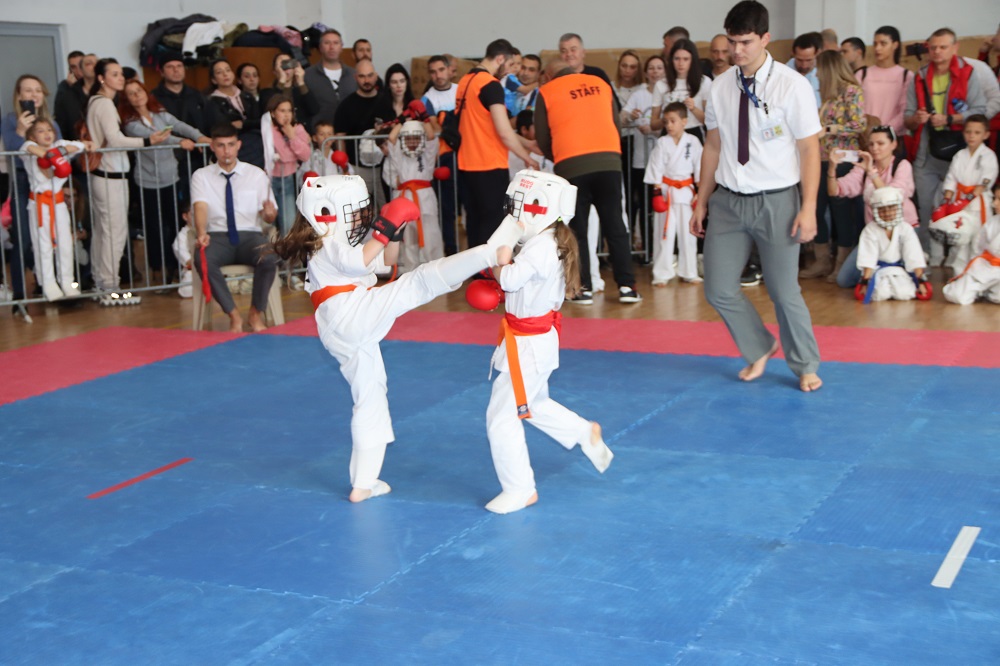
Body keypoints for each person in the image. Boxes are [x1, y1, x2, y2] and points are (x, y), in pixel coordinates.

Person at [271, 174, 523, 502]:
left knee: (371, 394)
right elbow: (361, 260)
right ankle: (489, 254)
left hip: (344, 326)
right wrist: (385, 226)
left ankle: (364, 483)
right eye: (354, 213)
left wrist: (395, 231)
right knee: (417, 282)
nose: (360, 220)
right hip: (349, 314)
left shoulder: (338, 242)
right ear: (326, 214)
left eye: (362, 213)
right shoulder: (326, 243)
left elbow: (386, 262)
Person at [691, 0, 823, 392]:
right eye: (731, 42)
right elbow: (713, 146)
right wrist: (701, 200)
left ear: (765, 38)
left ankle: (805, 364)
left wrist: (809, 208)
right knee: (717, 289)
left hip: (777, 201)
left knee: (783, 291)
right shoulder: (720, 86)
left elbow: (809, 149)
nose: (737, 51)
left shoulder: (791, 85)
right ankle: (759, 345)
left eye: (745, 42)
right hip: (728, 201)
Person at [477, 170, 613, 515]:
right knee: (533, 403)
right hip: (533, 341)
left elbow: (509, 279)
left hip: (528, 345)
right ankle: (582, 431)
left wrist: (499, 259)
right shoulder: (548, 240)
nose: (515, 212)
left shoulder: (540, 248)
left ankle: (520, 489)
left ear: (540, 207)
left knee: (501, 417)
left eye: (520, 205)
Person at [535, 59, 641, 304]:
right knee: (615, 225)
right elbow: (615, 122)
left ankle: (582, 289)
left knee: (577, 230)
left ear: (548, 76)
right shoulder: (600, 83)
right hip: (609, 162)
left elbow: (542, 135)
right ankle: (627, 286)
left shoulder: (547, 91)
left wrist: (559, 157)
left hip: (571, 166)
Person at [88, 58, 170, 304]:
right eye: (114, 74)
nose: (120, 78)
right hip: (110, 175)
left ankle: (101, 282)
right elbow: (114, 139)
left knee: (104, 231)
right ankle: (110, 286)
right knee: (114, 232)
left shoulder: (98, 102)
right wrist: (146, 141)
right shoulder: (104, 103)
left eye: (120, 73)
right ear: (102, 78)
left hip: (106, 174)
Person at [905, 28, 986, 258]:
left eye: (943, 47)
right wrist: (917, 119)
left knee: (960, 210)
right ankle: (924, 259)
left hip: (960, 153)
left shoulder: (968, 74)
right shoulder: (919, 77)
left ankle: (957, 261)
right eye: (933, 47)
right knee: (925, 208)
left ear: (955, 48)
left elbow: (980, 111)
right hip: (927, 153)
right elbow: (907, 119)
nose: (937, 52)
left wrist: (950, 119)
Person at [190, 123, 280, 333]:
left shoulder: (256, 174)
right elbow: (200, 207)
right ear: (212, 147)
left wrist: (269, 214)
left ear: (238, 145)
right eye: (221, 145)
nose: (226, 151)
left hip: (250, 235)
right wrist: (202, 233)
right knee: (203, 259)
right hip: (217, 235)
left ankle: (255, 313)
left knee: (269, 257)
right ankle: (233, 315)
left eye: (231, 145)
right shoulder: (201, 176)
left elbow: (269, 215)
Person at [120, 78, 209, 284]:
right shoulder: (131, 123)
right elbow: (156, 137)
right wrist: (181, 141)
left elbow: (178, 125)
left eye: (139, 90)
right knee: (154, 227)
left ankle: (176, 266)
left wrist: (198, 136)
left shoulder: (159, 113)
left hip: (171, 176)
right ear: (126, 100)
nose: (137, 95)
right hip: (148, 181)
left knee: (174, 222)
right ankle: (158, 268)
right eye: (131, 93)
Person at [456, 39, 538, 248]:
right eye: (509, 65)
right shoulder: (491, 85)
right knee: (492, 225)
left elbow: (488, 126)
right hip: (489, 164)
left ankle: (476, 267)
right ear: (500, 59)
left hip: (467, 164)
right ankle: (490, 267)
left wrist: (527, 144)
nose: (509, 72)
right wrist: (527, 157)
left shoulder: (465, 82)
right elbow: (504, 131)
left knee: (474, 223)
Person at [800, 50, 865, 280]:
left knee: (841, 212)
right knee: (816, 208)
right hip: (821, 159)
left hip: (843, 159)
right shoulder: (827, 96)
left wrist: (828, 130)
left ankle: (842, 262)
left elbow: (859, 125)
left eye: (819, 69)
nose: (817, 75)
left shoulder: (852, 91)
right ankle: (822, 260)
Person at [828, 125, 918, 288]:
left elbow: (890, 198)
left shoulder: (902, 165)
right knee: (844, 280)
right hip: (875, 233)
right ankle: (882, 271)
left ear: (893, 144)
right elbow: (835, 190)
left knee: (910, 277)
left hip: (903, 229)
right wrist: (832, 168)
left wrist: (871, 172)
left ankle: (891, 269)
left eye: (880, 143)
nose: (875, 148)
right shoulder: (864, 167)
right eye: (871, 144)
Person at [2, 74, 63, 303]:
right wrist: (20, 131)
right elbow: (13, 150)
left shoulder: (51, 122)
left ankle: (49, 284)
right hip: (22, 181)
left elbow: (58, 150)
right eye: (28, 90)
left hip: (47, 182)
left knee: (49, 237)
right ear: (19, 96)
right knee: (23, 239)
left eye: (37, 90)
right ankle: (20, 295)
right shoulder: (10, 120)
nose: (33, 95)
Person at [18, 119, 88, 300]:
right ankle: (48, 283)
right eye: (40, 131)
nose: (47, 133)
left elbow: (82, 145)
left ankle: (67, 281)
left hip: (58, 203)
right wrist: (52, 156)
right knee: (43, 245)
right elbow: (30, 148)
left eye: (49, 129)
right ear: (33, 136)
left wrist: (59, 152)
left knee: (65, 243)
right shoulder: (29, 147)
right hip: (40, 203)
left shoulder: (59, 145)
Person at [645, 102, 702, 285]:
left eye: (673, 121)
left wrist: (700, 193)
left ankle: (689, 271)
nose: (668, 125)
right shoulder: (662, 142)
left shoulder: (693, 141)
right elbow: (656, 168)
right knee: (665, 234)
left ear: (684, 121)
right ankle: (661, 273)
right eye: (666, 122)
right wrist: (656, 193)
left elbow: (699, 168)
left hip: (686, 192)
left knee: (688, 234)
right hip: (666, 193)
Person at [936, 114, 998, 271]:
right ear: (963, 133)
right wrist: (947, 200)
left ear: (986, 135)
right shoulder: (959, 155)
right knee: (960, 237)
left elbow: (985, 181)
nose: (972, 136)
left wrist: (969, 198)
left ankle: (977, 270)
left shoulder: (988, 156)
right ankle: (958, 270)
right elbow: (951, 178)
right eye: (968, 132)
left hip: (978, 203)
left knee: (978, 238)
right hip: (960, 202)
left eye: (977, 133)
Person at [385, 119, 444, 271]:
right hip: (405, 198)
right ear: (403, 140)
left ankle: (435, 270)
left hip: (425, 198)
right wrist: (402, 120)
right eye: (408, 138)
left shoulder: (427, 155)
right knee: (408, 239)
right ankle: (410, 272)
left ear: (421, 139)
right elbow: (391, 138)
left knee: (431, 236)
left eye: (416, 138)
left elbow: (431, 136)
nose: (412, 142)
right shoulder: (399, 155)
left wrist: (424, 118)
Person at [621, 55, 666, 249]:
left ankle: (661, 248)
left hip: (664, 160)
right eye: (651, 68)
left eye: (659, 68)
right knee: (643, 204)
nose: (655, 72)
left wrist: (655, 128)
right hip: (640, 158)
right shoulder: (639, 94)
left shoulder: (668, 92)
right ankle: (646, 248)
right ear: (646, 73)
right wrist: (630, 117)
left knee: (661, 205)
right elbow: (622, 117)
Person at [855, 186, 929, 302]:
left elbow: (913, 255)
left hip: (898, 270)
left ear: (900, 207)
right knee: (880, 294)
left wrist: (921, 281)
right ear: (875, 210)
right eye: (882, 209)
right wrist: (865, 282)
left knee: (904, 293)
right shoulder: (870, 230)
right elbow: (868, 257)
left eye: (891, 208)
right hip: (878, 270)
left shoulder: (905, 228)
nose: (887, 213)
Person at [334, 59, 384, 201]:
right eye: (362, 76)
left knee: (387, 209)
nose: (366, 80)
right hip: (357, 169)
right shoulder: (346, 105)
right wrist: (344, 167)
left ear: (376, 76)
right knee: (359, 208)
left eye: (370, 75)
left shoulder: (386, 102)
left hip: (384, 168)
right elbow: (340, 138)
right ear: (355, 77)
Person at [943, 184, 1000, 304]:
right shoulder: (991, 223)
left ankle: (989, 291)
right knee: (956, 295)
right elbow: (978, 248)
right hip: (987, 267)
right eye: (995, 198)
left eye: (999, 199)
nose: (995, 203)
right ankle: (981, 289)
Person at [263, 95, 311, 237]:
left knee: (288, 223)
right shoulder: (268, 130)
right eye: (282, 111)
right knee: (268, 224)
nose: (286, 115)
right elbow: (285, 156)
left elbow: (305, 155)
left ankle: (286, 251)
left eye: (289, 111)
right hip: (267, 180)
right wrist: (294, 150)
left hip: (287, 179)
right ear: (273, 113)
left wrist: (292, 137)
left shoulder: (298, 129)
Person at [650, 39, 712, 142]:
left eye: (686, 59)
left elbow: (709, 121)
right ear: (671, 60)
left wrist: (693, 109)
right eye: (677, 59)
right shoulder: (661, 84)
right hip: (669, 133)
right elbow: (653, 124)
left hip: (694, 133)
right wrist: (668, 118)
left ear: (692, 60)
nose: (681, 63)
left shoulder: (704, 82)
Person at [207, 58, 264, 169]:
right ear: (214, 80)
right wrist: (248, 124)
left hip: (257, 147)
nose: (225, 74)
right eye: (219, 72)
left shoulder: (247, 96)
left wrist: (243, 124)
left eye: (228, 70)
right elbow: (223, 127)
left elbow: (260, 121)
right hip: (233, 150)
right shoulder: (212, 102)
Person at [859, 26, 914, 139]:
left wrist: (884, 131)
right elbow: (856, 107)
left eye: (883, 44)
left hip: (893, 137)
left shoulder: (906, 76)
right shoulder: (862, 74)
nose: (877, 48)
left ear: (895, 45)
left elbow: (905, 110)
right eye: (875, 44)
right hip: (865, 137)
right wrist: (867, 129)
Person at [304, 29, 358, 129]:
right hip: (320, 133)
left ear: (341, 47)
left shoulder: (354, 75)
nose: (332, 47)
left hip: (350, 132)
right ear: (320, 47)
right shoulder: (307, 75)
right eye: (327, 43)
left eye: (336, 43)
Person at [259, 53, 320, 125]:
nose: (286, 68)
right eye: (282, 64)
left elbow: (314, 110)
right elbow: (268, 110)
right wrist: (282, 81)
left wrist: (301, 82)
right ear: (275, 71)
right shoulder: (267, 92)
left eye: (288, 63)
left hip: (300, 130)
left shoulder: (301, 90)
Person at [789, 32, 823, 107]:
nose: (804, 65)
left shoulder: (824, 72)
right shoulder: (784, 73)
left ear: (817, 53)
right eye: (799, 60)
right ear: (793, 53)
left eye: (809, 60)